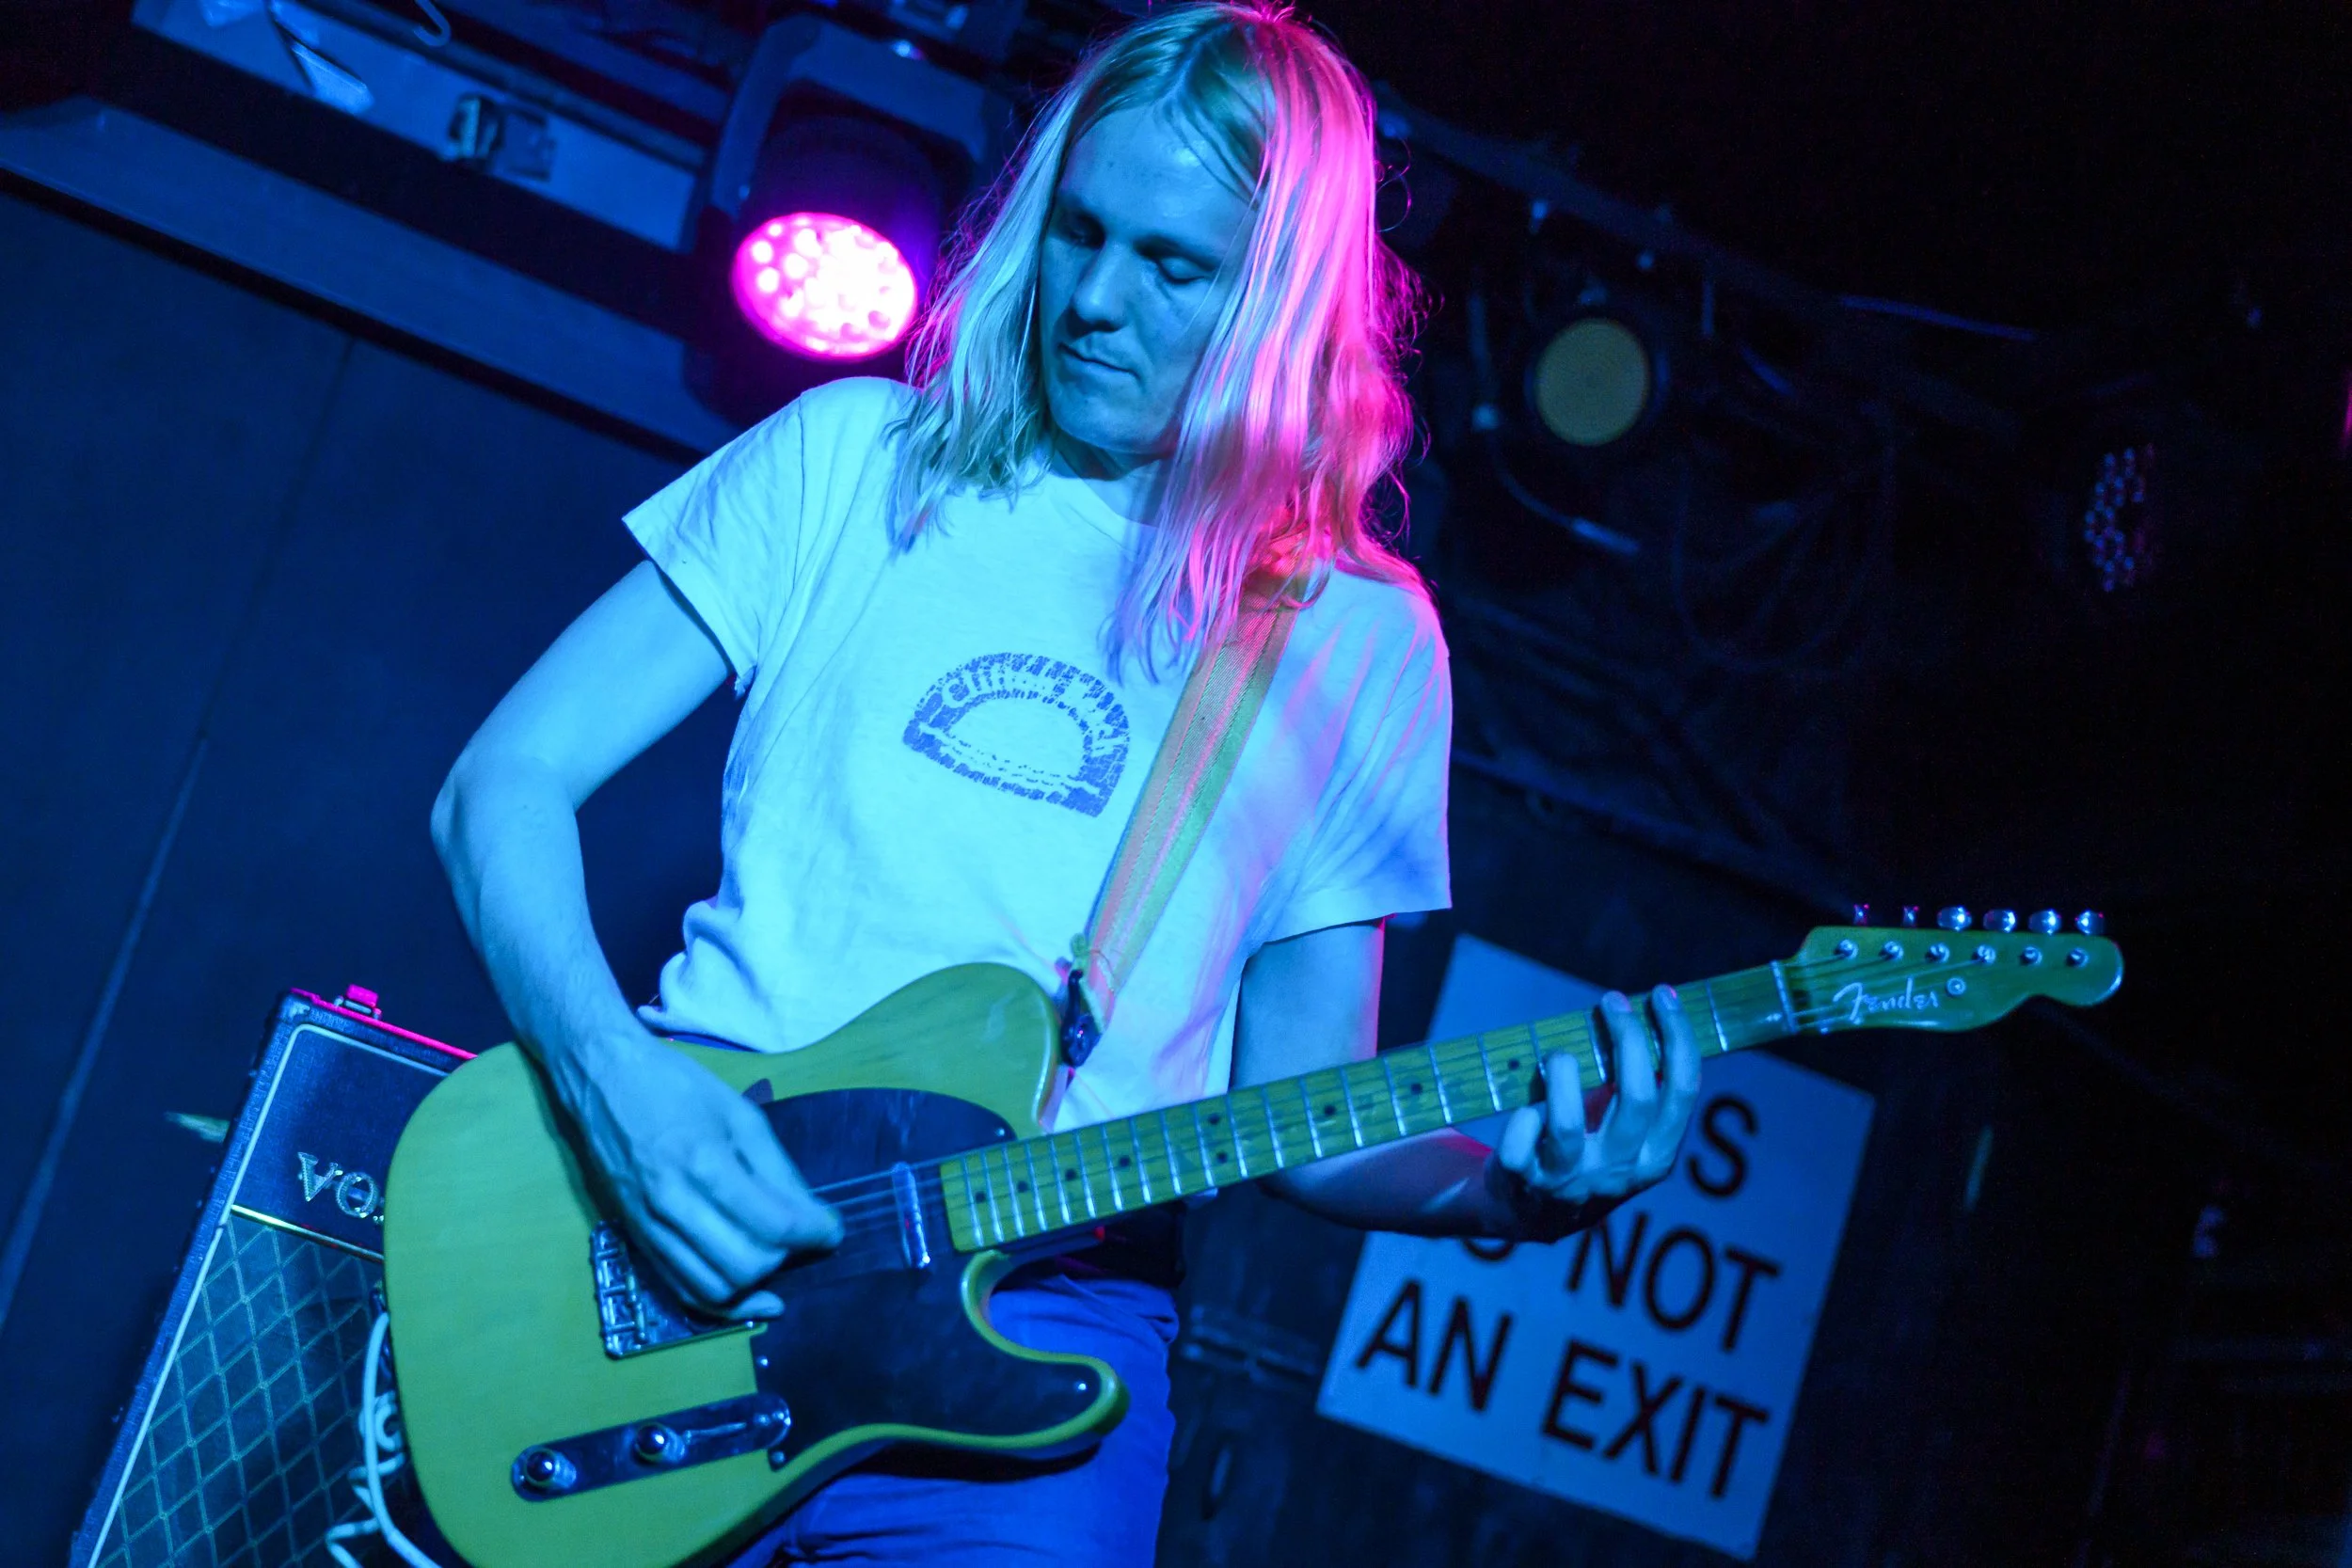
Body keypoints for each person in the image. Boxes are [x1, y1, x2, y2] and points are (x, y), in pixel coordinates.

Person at [430, 4, 1702, 1562]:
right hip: (688, 1212)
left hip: (1042, 1324)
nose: (1095, 300)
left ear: (1283, 303)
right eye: (1082, 232)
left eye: (1173, 267)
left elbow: (1308, 1109)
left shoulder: (1358, 638)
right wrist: (616, 1084)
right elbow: (501, 784)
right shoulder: (853, 460)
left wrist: (1514, 1193)